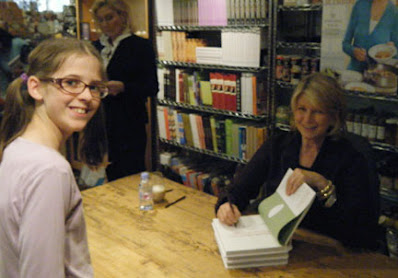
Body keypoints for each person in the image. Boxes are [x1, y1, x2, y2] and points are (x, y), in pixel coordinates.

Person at [215, 73, 380, 250]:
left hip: (325, 250)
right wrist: (226, 205)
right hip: (277, 243)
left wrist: (321, 183)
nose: (307, 119)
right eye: (302, 109)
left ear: (333, 116)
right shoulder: (277, 145)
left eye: (317, 111)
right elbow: (238, 189)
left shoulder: (352, 157)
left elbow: (360, 226)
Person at [0, 37, 108, 277]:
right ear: (36, 88)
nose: (87, 96)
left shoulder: (16, 147)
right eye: (71, 82)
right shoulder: (50, 169)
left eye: (93, 87)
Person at [91, 0, 159, 181]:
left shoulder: (140, 46)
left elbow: (152, 87)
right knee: (106, 171)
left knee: (130, 171)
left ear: (122, 16)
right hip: (100, 118)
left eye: (109, 18)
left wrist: (124, 87)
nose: (105, 24)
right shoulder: (96, 47)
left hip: (129, 120)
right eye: (100, 20)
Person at [342, 0, 398, 72]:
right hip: (355, 73)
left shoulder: (394, 12)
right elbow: (345, 44)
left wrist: (391, 51)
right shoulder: (359, 5)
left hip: (378, 75)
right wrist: (353, 51)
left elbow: (396, 53)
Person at [0, 28, 28, 99]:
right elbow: (3, 79)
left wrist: (24, 70)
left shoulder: (17, 43)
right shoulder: (1, 56)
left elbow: (36, 62)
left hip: (32, 79)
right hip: (19, 87)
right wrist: (5, 97)